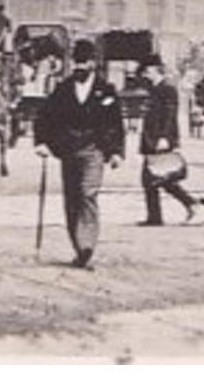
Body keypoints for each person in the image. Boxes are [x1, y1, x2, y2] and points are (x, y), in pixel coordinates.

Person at [34, 38, 126, 269]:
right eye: (76, 63)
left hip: (94, 149)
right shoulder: (63, 89)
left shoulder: (106, 90)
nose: (79, 68)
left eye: (83, 63)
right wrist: (42, 142)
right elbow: (44, 116)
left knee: (88, 194)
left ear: (93, 63)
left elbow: (116, 123)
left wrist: (116, 152)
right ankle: (78, 248)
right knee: (72, 199)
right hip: (68, 150)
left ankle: (87, 245)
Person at [138, 54, 197, 226]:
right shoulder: (154, 88)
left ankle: (188, 202)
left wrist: (164, 136)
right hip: (151, 138)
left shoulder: (167, 89)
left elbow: (170, 115)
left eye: (147, 71)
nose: (145, 74)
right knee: (152, 179)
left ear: (156, 70)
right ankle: (155, 216)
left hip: (160, 139)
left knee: (159, 178)